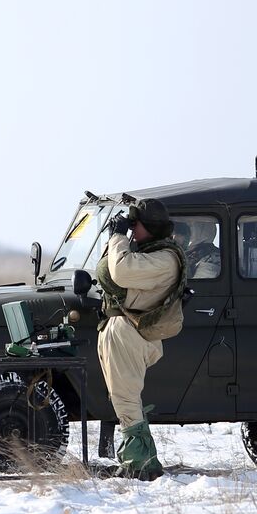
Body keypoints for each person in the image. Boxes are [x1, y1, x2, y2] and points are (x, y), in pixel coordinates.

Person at [95, 198, 186, 480]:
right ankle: (135, 458)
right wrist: (119, 237)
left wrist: (118, 236)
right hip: (125, 331)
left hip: (135, 336)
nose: (133, 230)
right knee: (124, 398)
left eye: (137, 224)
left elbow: (120, 271)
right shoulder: (148, 251)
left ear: (151, 227)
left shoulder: (165, 259)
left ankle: (142, 463)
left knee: (127, 397)